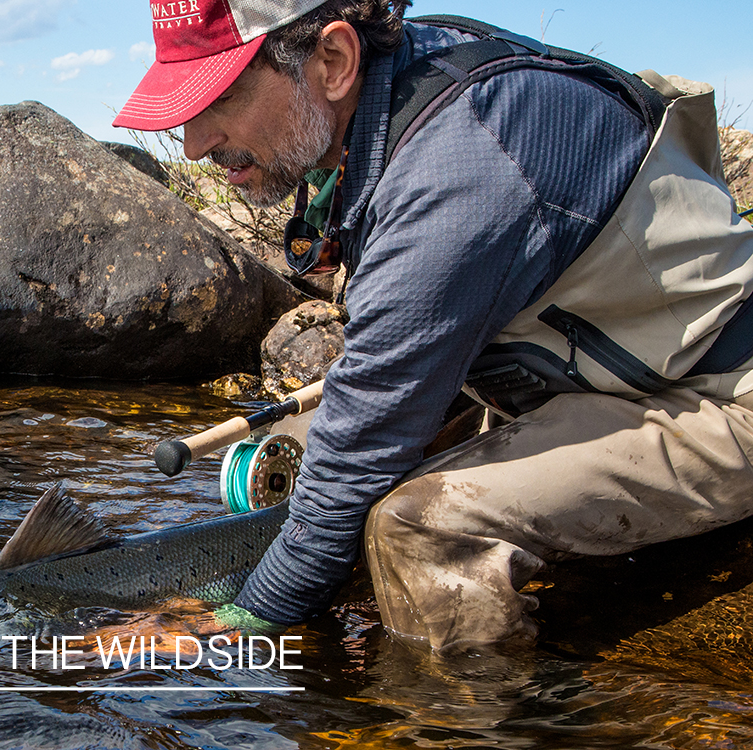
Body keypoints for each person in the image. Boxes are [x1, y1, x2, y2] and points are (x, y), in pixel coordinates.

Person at [114, 0, 753, 653]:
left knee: (417, 530)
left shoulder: (460, 165)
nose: (193, 144)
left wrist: (244, 624)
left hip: (716, 399)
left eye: (220, 97)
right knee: (299, 455)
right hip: (588, 374)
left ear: (332, 61)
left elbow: (358, 455)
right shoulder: (398, 89)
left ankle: (463, 720)